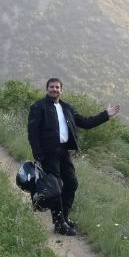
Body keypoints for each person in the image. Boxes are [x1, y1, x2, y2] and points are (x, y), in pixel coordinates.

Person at [27, 77, 121, 235]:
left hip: (64, 152)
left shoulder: (67, 108)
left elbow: (85, 123)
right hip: (48, 154)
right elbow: (32, 132)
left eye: (57, 87)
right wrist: (38, 154)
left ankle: (64, 217)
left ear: (61, 90)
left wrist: (106, 115)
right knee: (55, 187)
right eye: (52, 87)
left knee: (71, 183)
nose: (54, 89)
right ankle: (59, 224)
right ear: (47, 89)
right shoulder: (38, 106)